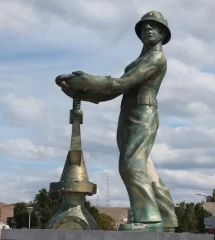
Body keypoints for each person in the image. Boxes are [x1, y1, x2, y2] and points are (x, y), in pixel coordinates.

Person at [56, 11, 178, 232]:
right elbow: (113, 92)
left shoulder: (156, 58)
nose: (148, 29)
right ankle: (167, 216)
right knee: (143, 167)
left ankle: (150, 220)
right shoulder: (141, 59)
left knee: (131, 165)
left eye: (154, 26)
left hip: (143, 113)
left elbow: (122, 83)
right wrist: (81, 92)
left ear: (162, 33)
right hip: (130, 113)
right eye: (144, 27)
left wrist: (89, 80)